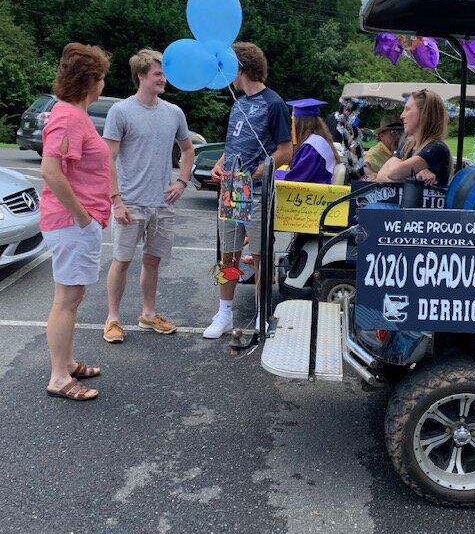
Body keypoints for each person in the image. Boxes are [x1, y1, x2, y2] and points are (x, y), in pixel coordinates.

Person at [102, 48, 194, 343]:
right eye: (158, 73)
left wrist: (181, 181)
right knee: (122, 260)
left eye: (164, 74)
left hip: (162, 203)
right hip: (130, 202)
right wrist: (115, 200)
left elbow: (188, 149)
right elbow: (108, 159)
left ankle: (148, 314)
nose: (163, 79)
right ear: (141, 76)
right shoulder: (121, 111)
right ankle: (113, 319)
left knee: (152, 261)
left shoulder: (173, 112)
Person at [203, 42, 293, 339]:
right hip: (232, 187)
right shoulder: (237, 103)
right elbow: (233, 147)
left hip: (256, 190)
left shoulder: (275, 103)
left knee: (259, 255)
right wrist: (219, 163)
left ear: (240, 67)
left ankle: (262, 313)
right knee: (227, 254)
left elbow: (285, 151)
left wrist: (259, 170)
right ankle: (224, 312)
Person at [41, 42, 111, 401]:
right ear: (90, 81)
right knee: (67, 299)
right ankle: (58, 377)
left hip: (77, 224)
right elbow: (51, 170)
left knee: (71, 296)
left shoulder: (74, 114)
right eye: (101, 78)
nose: (104, 84)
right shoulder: (68, 115)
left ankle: (66, 362)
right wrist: (83, 217)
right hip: (72, 224)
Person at [376, 89, 452, 186]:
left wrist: (399, 170)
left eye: (407, 109)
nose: (402, 115)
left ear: (424, 114)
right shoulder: (407, 144)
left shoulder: (436, 149)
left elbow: (394, 173)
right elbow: (380, 176)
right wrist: (413, 176)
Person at [274, 98, 341, 184]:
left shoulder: (311, 147)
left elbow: (295, 179)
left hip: (316, 192)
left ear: (299, 123)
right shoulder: (319, 140)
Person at [363, 114, 403, 179]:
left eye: (400, 133)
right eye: (394, 133)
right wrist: (375, 176)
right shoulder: (376, 152)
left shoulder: (398, 151)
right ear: (382, 136)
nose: (398, 137)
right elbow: (365, 167)